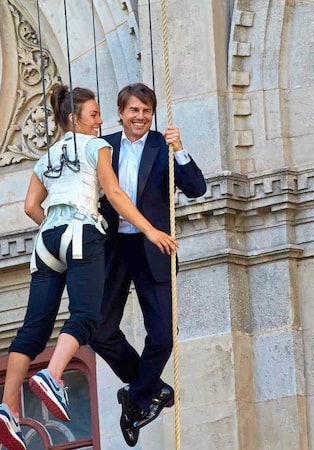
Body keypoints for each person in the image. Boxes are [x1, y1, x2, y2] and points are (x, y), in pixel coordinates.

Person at [0, 85, 178, 450]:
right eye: (94, 115)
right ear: (75, 118)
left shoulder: (46, 156)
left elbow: (31, 206)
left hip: (46, 239)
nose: (100, 121)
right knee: (86, 316)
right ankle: (53, 376)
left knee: (33, 328)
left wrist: (55, 227)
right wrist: (151, 230)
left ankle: (7, 406)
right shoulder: (97, 147)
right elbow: (117, 195)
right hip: (81, 231)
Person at [89, 83, 207, 446]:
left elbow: (196, 188)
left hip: (153, 248)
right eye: (133, 111)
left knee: (161, 338)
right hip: (114, 248)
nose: (140, 117)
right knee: (99, 331)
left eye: (146, 111)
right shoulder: (103, 146)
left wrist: (181, 150)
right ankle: (147, 387)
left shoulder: (161, 146)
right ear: (120, 113)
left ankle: (136, 397)